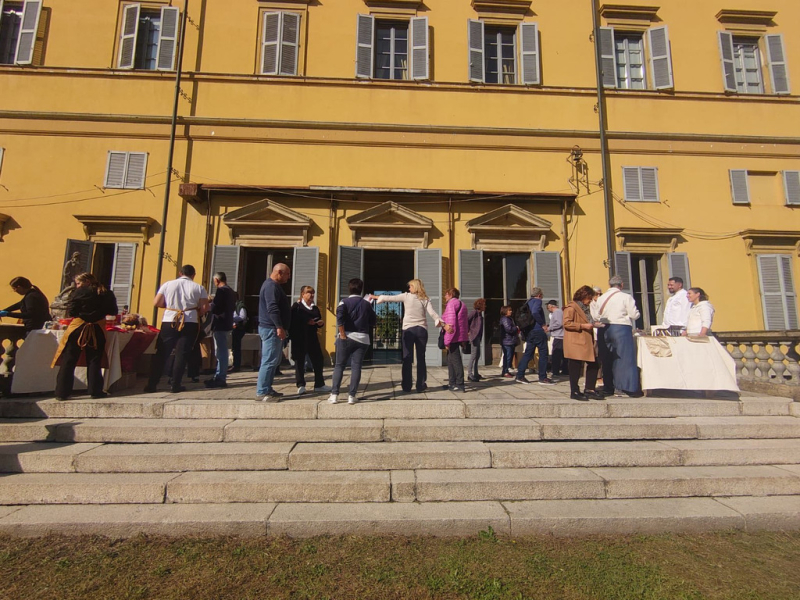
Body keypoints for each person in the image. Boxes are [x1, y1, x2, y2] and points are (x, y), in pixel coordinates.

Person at [52, 273, 118, 401]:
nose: (78, 285)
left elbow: (71, 311)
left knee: (69, 360)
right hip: (97, 327)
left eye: (79, 282)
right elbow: (113, 311)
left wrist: (84, 315)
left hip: (78, 327)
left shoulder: (79, 292)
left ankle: (62, 392)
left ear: (87, 281)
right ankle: (95, 391)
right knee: (94, 360)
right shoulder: (106, 293)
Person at [144, 265, 209, 394]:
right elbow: (204, 308)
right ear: (193, 275)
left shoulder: (168, 284)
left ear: (180, 273)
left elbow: (156, 302)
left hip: (170, 320)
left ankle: (152, 384)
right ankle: (175, 384)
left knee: (162, 352)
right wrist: (196, 312)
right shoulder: (199, 287)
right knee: (182, 353)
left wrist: (169, 306)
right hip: (189, 321)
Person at [368, 279, 440, 393]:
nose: (409, 288)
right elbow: (433, 313)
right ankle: (420, 385)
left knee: (407, 358)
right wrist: (441, 322)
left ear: (415, 287)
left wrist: (374, 297)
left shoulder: (406, 296)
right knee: (421, 358)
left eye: (410, 286)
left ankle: (406, 386)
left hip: (408, 330)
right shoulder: (425, 299)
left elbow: (389, 298)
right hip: (421, 330)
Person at [329, 278, 376, 405]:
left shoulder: (343, 302)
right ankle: (352, 396)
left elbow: (339, 317)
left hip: (346, 337)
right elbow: (373, 321)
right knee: (356, 367)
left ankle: (334, 395)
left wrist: (342, 333)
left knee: (339, 365)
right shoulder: (367, 304)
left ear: (349, 288)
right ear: (361, 289)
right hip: (362, 339)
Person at [596, 275, 642, 397]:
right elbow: (634, 314)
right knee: (623, 359)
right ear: (621, 285)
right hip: (621, 327)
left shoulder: (601, 298)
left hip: (603, 328)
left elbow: (596, 315)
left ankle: (608, 387)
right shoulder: (626, 297)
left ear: (609, 285)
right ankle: (623, 387)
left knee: (606, 359)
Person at [563, 285, 605, 401]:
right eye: (589, 298)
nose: (590, 301)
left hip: (585, 340)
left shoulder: (585, 308)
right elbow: (566, 323)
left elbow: (587, 320)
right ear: (583, 296)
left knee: (594, 363)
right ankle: (575, 391)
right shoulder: (571, 307)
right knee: (575, 366)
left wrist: (594, 324)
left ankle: (589, 389)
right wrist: (582, 326)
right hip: (576, 341)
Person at [257, 263, 291, 402]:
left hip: (272, 328)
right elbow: (272, 308)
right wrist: (279, 327)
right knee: (269, 360)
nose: (289, 277)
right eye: (287, 274)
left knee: (273, 360)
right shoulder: (271, 286)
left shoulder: (273, 286)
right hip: (271, 328)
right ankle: (262, 391)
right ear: (279, 272)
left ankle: (268, 389)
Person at [290, 285, 330, 394]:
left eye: (313, 293)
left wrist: (319, 324)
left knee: (318, 360)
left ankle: (319, 384)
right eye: (309, 293)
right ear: (303, 294)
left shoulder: (315, 308)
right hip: (300, 338)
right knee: (300, 361)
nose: (311, 295)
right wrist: (306, 321)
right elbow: (293, 321)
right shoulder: (296, 307)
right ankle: (301, 384)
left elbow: (317, 318)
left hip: (312, 337)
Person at [515, 287, 554, 385]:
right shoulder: (537, 301)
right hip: (538, 331)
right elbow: (535, 312)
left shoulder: (528, 302)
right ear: (539, 295)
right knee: (543, 354)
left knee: (528, 353)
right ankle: (542, 377)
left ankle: (520, 375)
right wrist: (543, 325)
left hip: (530, 332)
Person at [205, 272, 235, 389]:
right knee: (222, 351)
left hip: (220, 324)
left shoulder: (221, 291)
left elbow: (216, 307)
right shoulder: (231, 291)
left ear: (217, 280)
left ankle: (220, 377)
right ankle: (219, 375)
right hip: (227, 323)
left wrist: (210, 304)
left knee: (221, 352)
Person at [440, 287, 469, 392]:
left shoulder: (452, 304)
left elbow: (451, 325)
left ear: (450, 294)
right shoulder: (462, 304)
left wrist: (447, 341)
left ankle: (460, 384)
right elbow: (464, 324)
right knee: (451, 360)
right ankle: (452, 383)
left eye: (446, 294)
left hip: (453, 337)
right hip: (458, 337)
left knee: (455, 361)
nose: (444, 296)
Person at [546, 299, 568, 378]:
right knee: (562, 354)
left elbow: (559, 323)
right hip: (560, 336)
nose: (547, 309)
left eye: (548, 307)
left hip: (559, 336)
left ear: (550, 306)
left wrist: (549, 328)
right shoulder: (557, 312)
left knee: (556, 354)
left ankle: (555, 371)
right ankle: (564, 370)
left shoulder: (557, 312)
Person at [467, 298, 486, 382]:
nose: (485, 306)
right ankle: (470, 374)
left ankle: (476, 373)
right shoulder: (474, 313)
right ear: (480, 305)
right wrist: (468, 332)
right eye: (484, 304)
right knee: (473, 355)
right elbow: (466, 321)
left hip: (478, 337)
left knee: (477, 355)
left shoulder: (480, 314)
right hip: (473, 336)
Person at [229, 296, 247, 373]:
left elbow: (242, 317)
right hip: (233, 329)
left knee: (236, 347)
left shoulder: (240, 306)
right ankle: (235, 364)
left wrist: (231, 319)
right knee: (234, 347)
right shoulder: (233, 306)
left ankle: (236, 365)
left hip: (238, 329)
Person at [499, 305, 518, 378]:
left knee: (509, 356)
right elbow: (508, 329)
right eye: (509, 310)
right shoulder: (505, 319)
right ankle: (505, 371)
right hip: (507, 341)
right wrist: (516, 328)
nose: (511, 311)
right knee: (507, 356)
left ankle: (506, 370)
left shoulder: (509, 319)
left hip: (510, 340)